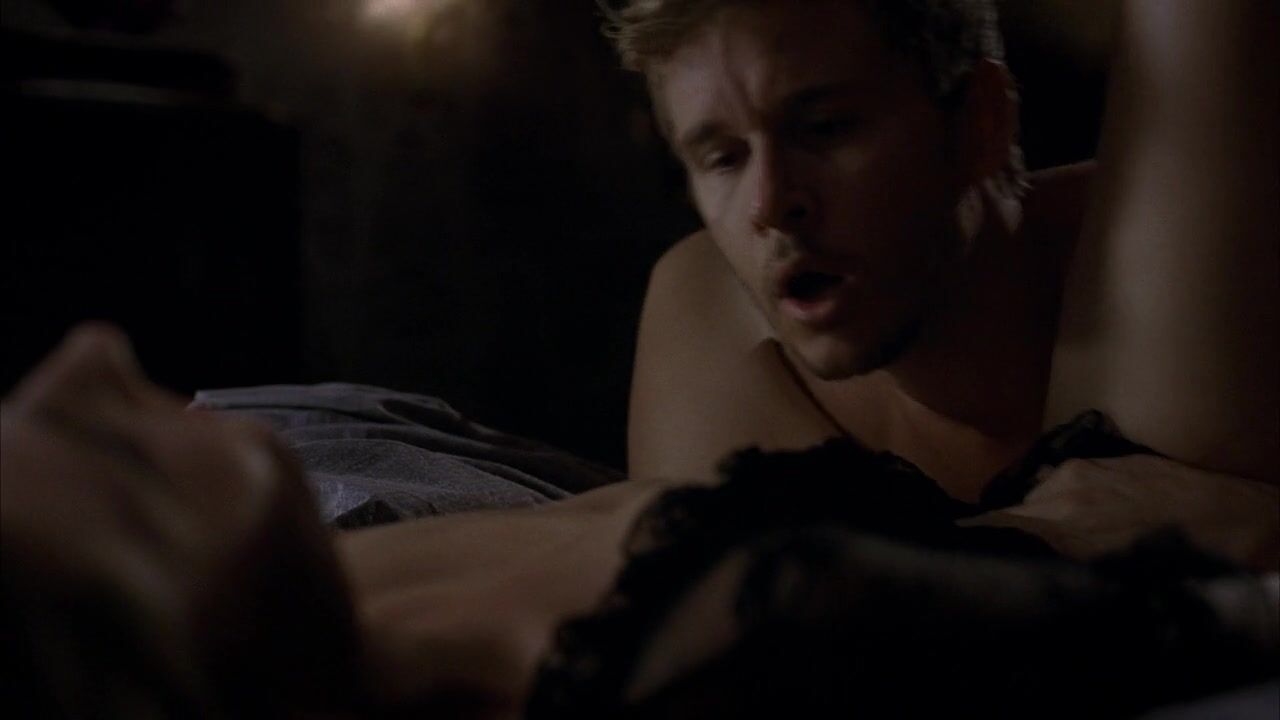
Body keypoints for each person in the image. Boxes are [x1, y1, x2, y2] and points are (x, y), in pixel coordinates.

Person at [2, 0, 1277, 716]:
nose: (769, 204)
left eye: (824, 127)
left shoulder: (340, 583)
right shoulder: (712, 321)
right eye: (715, 156)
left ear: (977, 120)